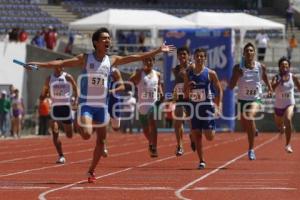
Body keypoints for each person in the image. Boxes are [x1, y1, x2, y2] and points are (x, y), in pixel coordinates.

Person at [26, 27, 175, 183]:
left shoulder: (112, 60)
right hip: (87, 105)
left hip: (102, 107)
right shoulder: (85, 58)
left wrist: (157, 50)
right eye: (104, 38)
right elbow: (61, 62)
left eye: (109, 38)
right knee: (86, 135)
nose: (108, 41)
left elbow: (136, 56)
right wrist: (37, 64)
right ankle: (80, 120)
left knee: (102, 141)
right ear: (96, 42)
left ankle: (91, 171)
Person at [229, 42, 272, 160]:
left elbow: (265, 77)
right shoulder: (238, 68)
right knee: (246, 126)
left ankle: (251, 149)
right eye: (247, 51)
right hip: (242, 100)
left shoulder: (260, 66)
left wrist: (269, 88)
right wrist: (237, 76)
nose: (249, 52)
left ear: (254, 53)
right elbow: (231, 86)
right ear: (243, 53)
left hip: (256, 99)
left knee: (249, 116)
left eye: (251, 50)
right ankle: (254, 129)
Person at [183, 48, 222, 169]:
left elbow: (219, 89)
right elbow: (185, 93)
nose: (199, 58)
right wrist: (188, 87)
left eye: (201, 56)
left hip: (207, 107)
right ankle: (201, 161)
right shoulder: (188, 73)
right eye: (197, 56)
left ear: (205, 58)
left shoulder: (211, 73)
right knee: (197, 135)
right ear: (194, 58)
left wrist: (218, 105)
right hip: (194, 107)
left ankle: (209, 127)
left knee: (209, 137)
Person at [41, 58, 78, 164]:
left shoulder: (68, 77)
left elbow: (76, 89)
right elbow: (44, 91)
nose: (60, 66)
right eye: (57, 65)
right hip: (55, 108)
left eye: (61, 65)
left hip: (66, 107)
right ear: (54, 66)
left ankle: (70, 126)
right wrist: (44, 95)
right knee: (55, 131)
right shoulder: (49, 78)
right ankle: (61, 155)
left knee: (69, 135)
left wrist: (76, 101)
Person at [130, 56, 164, 158]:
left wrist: (161, 93)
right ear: (143, 62)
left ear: (153, 61)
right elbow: (131, 80)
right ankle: (151, 142)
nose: (148, 62)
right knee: (145, 129)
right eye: (146, 60)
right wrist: (138, 73)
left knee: (152, 120)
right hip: (142, 105)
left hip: (153, 103)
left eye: (150, 60)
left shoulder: (157, 74)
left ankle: (154, 146)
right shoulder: (139, 72)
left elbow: (158, 85)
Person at [271, 57, 300, 153]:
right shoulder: (276, 77)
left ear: (289, 67)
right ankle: (282, 128)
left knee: (288, 119)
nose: (284, 67)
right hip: (278, 106)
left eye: (286, 65)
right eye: (282, 65)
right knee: (279, 124)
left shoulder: (293, 77)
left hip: (289, 103)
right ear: (279, 67)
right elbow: (272, 88)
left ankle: (288, 145)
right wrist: (280, 80)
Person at [172, 46, 195, 156]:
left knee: (193, 124)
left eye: (184, 54)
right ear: (177, 56)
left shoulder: (193, 68)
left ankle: (192, 136)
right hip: (180, 99)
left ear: (188, 56)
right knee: (178, 120)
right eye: (180, 54)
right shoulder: (175, 70)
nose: (182, 56)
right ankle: (180, 145)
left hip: (192, 98)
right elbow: (176, 85)